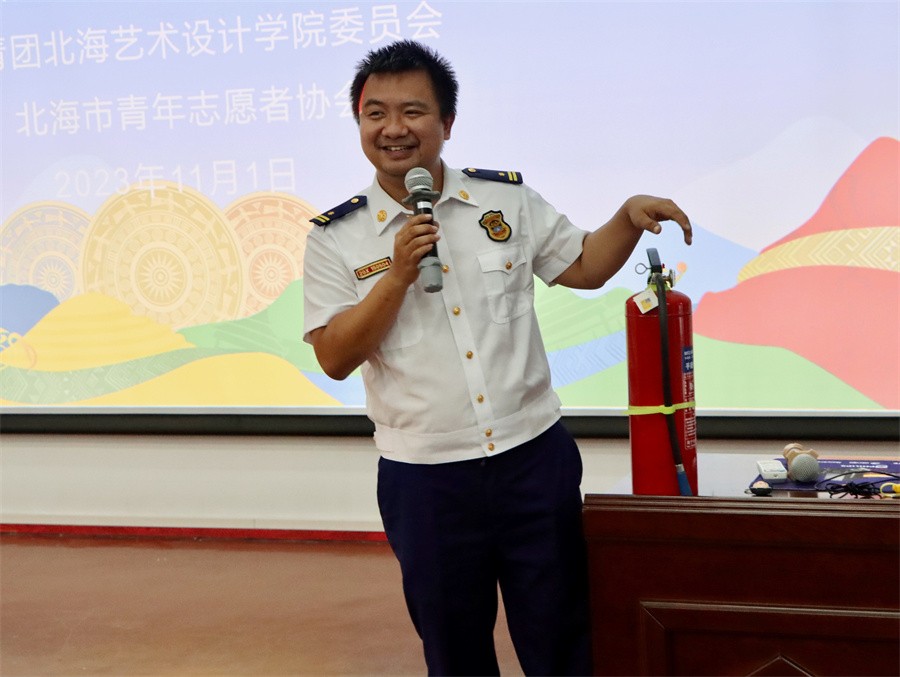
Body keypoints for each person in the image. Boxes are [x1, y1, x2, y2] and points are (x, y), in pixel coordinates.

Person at [302, 40, 692, 676]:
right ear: (359, 123)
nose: (394, 128)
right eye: (376, 114)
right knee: (455, 653)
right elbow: (335, 357)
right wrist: (396, 276)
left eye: (412, 111)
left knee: (563, 640)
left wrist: (625, 218)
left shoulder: (503, 200)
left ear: (446, 122)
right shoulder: (335, 237)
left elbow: (584, 265)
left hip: (532, 460)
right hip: (425, 479)